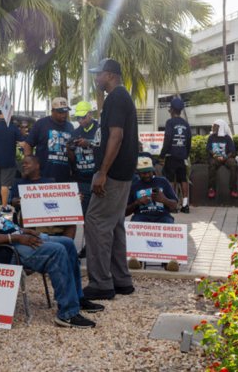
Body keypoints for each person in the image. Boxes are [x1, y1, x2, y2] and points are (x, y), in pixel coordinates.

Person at [0, 161, 103, 328]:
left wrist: (23, 231)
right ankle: (67, 314)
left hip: (15, 241)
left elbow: (1, 224)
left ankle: (77, 298)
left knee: (67, 243)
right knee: (57, 251)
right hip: (3, 252)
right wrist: (16, 238)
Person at [83, 58, 138, 301]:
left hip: (114, 173)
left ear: (110, 75)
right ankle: (120, 279)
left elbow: (116, 136)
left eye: (99, 74)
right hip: (124, 171)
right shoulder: (124, 97)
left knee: (95, 221)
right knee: (114, 224)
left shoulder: (115, 97)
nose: (96, 79)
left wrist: (102, 172)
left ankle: (101, 283)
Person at [125, 156, 180, 272]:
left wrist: (163, 199)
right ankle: (136, 259)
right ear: (138, 173)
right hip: (142, 216)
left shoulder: (162, 182)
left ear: (153, 170)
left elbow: (175, 206)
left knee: (169, 225)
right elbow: (125, 212)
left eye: (149, 172)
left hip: (162, 216)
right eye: (143, 173)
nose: (147, 175)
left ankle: (169, 261)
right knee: (135, 224)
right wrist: (137, 202)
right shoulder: (134, 186)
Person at [10, 155, 75, 238]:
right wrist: (15, 201)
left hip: (50, 214)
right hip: (31, 217)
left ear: (37, 166)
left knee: (72, 220)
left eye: (27, 163)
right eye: (23, 164)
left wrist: (74, 199)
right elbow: (12, 201)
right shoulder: (19, 183)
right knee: (25, 212)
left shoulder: (50, 182)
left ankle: (67, 245)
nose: (23, 165)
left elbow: (60, 200)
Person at [69, 101, 98, 258]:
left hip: (97, 178)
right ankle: (87, 246)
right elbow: (72, 159)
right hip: (81, 179)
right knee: (85, 216)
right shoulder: (76, 131)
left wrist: (89, 143)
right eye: (78, 118)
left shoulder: (99, 129)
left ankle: (97, 246)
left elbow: (106, 146)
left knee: (98, 216)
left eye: (82, 117)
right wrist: (70, 148)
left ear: (90, 115)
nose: (80, 121)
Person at [0, 111, 28, 209]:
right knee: (5, 185)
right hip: (8, 161)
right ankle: (4, 206)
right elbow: (22, 144)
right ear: (8, 115)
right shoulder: (13, 127)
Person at [25, 97, 75, 183]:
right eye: (60, 112)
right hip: (43, 176)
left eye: (65, 111)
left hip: (64, 178)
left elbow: (73, 153)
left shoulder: (70, 127)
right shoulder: (41, 124)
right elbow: (28, 145)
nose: (64, 114)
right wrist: (29, 164)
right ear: (52, 111)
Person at [159, 98, 192, 213]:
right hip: (182, 156)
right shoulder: (186, 124)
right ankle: (185, 205)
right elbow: (188, 141)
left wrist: (162, 154)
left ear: (172, 110)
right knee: (183, 180)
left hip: (171, 155)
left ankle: (172, 205)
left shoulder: (170, 122)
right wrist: (185, 154)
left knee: (170, 179)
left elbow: (167, 138)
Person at [206, 119, 238, 199]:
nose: (213, 128)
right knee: (212, 164)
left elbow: (232, 151)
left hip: (226, 158)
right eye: (213, 126)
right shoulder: (211, 137)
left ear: (221, 127)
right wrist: (216, 156)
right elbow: (209, 149)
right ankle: (211, 189)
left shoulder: (227, 138)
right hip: (215, 157)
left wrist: (225, 157)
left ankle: (233, 189)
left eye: (215, 126)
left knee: (233, 164)